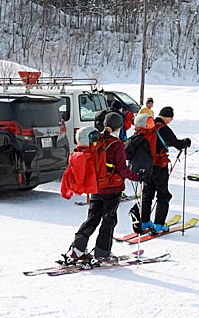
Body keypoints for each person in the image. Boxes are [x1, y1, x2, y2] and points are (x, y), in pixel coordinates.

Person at [65, 113, 141, 263]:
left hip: (95, 187)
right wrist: (138, 177)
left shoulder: (94, 139)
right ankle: (102, 252)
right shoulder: (117, 144)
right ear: (119, 126)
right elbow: (122, 169)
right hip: (112, 189)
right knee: (109, 220)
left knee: (92, 218)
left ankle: (77, 248)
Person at [139, 106, 190, 233]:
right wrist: (186, 142)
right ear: (168, 117)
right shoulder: (164, 129)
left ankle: (144, 222)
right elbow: (177, 144)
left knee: (147, 194)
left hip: (146, 165)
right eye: (170, 119)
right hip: (159, 166)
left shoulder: (148, 127)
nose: (170, 121)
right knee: (163, 195)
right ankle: (158, 225)